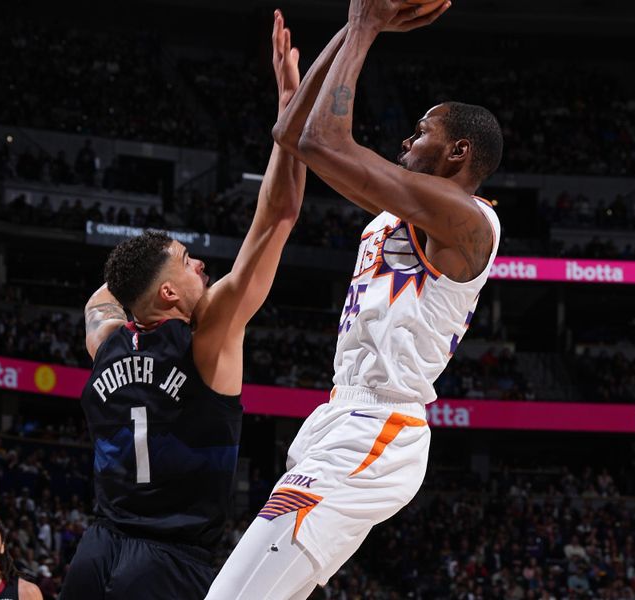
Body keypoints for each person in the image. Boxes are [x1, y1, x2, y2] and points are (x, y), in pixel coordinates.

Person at [208, 1, 503, 598]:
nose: (406, 137)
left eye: (423, 131)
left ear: (460, 153)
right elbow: (293, 133)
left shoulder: (468, 220)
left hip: (379, 427)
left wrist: (365, 24)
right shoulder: (408, 208)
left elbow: (321, 139)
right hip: (340, 415)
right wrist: (332, 53)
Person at [58, 14, 306, 600]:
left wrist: (147, 269)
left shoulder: (106, 339)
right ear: (168, 295)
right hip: (168, 564)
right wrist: (289, 103)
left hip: (95, 554)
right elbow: (280, 216)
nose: (200, 265)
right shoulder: (207, 341)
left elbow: (109, 290)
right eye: (187, 261)